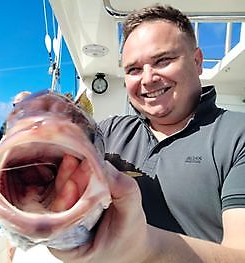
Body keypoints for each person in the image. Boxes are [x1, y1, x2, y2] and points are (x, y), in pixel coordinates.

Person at [50, 4, 245, 262]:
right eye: (133, 69)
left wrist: (142, 245)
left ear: (197, 61)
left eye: (163, 60)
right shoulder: (107, 132)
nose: (147, 78)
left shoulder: (237, 136)